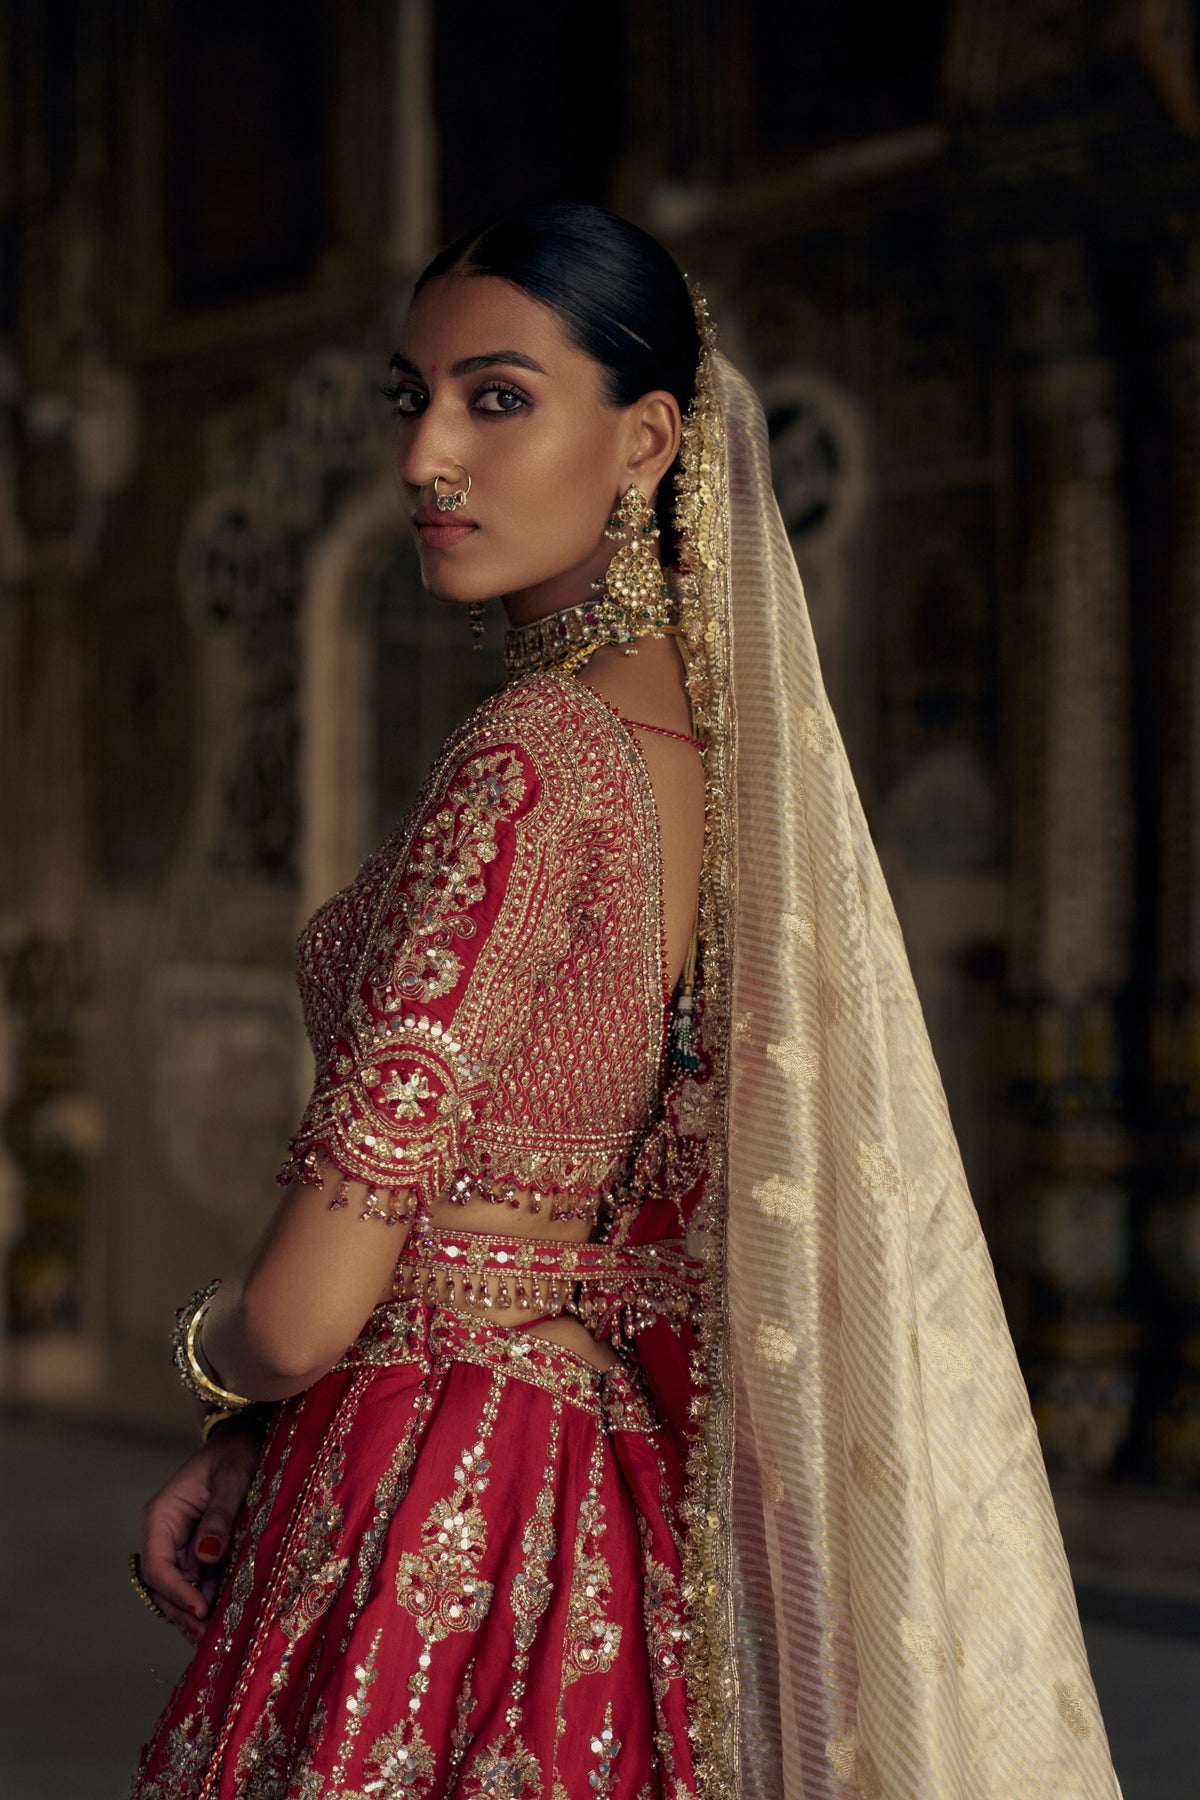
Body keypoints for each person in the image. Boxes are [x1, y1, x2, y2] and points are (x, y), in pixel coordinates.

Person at [129, 205, 1122, 1799]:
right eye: (415, 398)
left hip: (426, 1482)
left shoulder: (533, 761)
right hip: (594, 1485)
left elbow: (308, 1307)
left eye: (498, 398)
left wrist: (214, 1369)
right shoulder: (725, 767)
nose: (427, 457)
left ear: (649, 436)